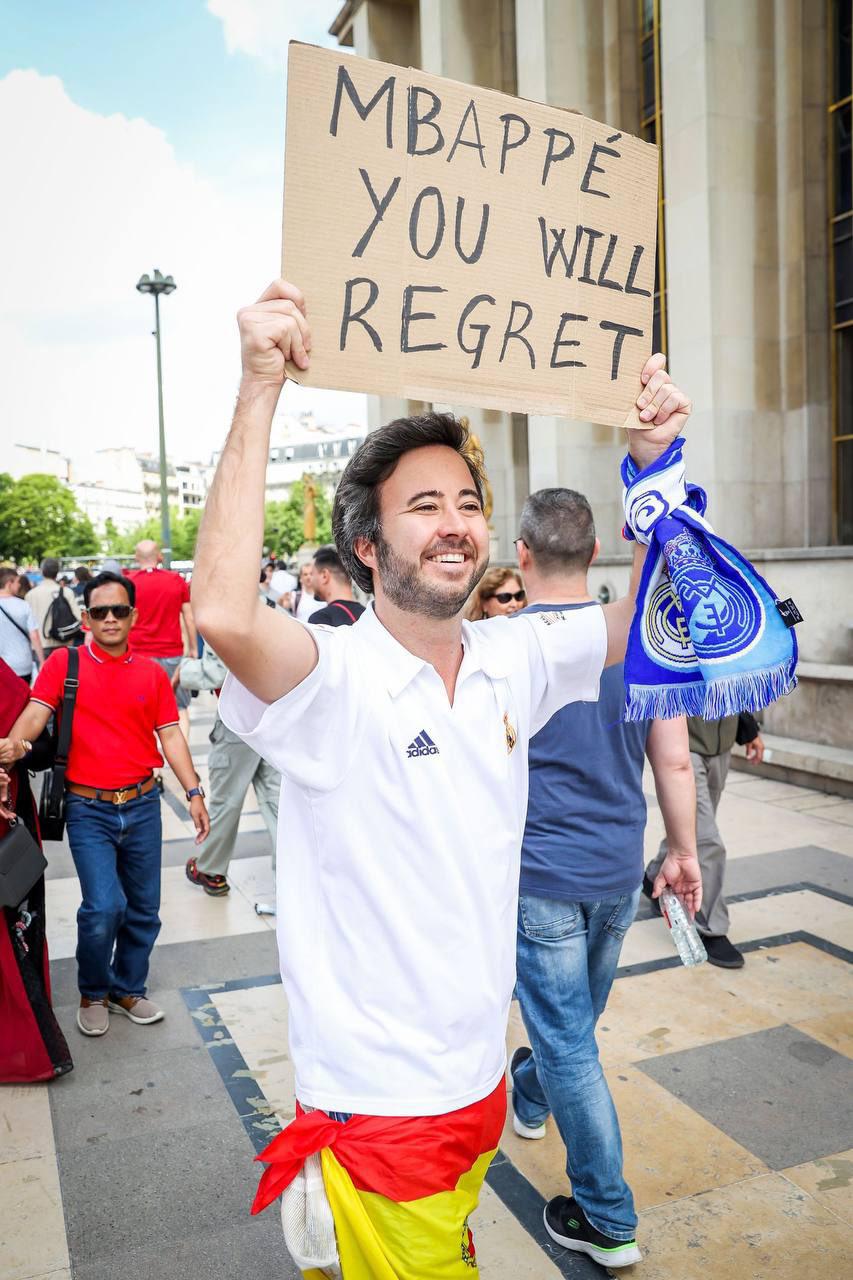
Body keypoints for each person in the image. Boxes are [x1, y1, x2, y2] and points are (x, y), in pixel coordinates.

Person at [189, 278, 698, 1277]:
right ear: (368, 547)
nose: (456, 520)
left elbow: (658, 606)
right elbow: (227, 615)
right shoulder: (332, 676)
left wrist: (657, 464)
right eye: (424, 505)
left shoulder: (516, 652)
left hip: (472, 1086)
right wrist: (257, 389)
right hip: (381, 1103)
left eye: (467, 501)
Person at [508, 488, 699, 1267]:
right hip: (616, 870)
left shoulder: (493, 646)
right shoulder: (636, 641)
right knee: (569, 1031)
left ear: (519, 554)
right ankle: (529, 1086)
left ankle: (605, 1213)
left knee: (568, 1042)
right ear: (591, 556)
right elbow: (675, 757)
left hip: (538, 874)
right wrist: (680, 851)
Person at [0, 571, 210, 1037]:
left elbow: (170, 734)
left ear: (133, 616)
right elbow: (36, 712)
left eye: (119, 611)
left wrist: (194, 792)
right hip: (87, 807)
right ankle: (93, 990)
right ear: (86, 617)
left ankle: (127, 987)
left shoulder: (152, 673)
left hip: (141, 804)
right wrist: (11, 749)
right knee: (102, 906)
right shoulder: (64, 664)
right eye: (100, 612)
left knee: (144, 907)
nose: (110, 619)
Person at [0, 657, 73, 1083]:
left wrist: (16, 749)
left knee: (18, 931)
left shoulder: (4, 679)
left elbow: (44, 747)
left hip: (8, 822)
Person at [643, 713, 763, 969]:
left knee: (691, 830)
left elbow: (730, 674)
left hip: (722, 741)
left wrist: (748, 727)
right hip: (682, 740)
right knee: (707, 841)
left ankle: (654, 875)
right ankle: (710, 927)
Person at [185, 643, 281, 897]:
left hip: (237, 720)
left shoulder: (226, 610)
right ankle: (290, 877)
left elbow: (216, 671)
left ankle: (211, 870)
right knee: (277, 804)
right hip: (273, 717)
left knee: (226, 800)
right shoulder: (274, 609)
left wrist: (181, 671)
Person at [126, 541, 198, 737]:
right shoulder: (175, 580)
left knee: (143, 709)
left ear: (136, 557)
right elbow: (189, 616)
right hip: (172, 653)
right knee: (179, 707)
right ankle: (180, 757)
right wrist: (193, 648)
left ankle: (153, 764)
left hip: (138, 655)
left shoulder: (128, 584)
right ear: (159, 556)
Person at [26, 558, 82, 656]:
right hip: (64, 642)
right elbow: (79, 617)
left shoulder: (31, 594)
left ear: (42, 571)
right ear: (57, 572)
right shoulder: (67, 592)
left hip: (40, 644)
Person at [306, 545, 365, 627]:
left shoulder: (321, 620)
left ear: (324, 576)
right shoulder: (368, 615)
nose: (310, 579)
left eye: (312, 574)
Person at [0, 568, 43, 680]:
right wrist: (42, 661)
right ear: (9, 583)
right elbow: (34, 636)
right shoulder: (23, 605)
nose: (19, 585)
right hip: (22, 664)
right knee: (22, 697)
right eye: (17, 582)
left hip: (2, 665)